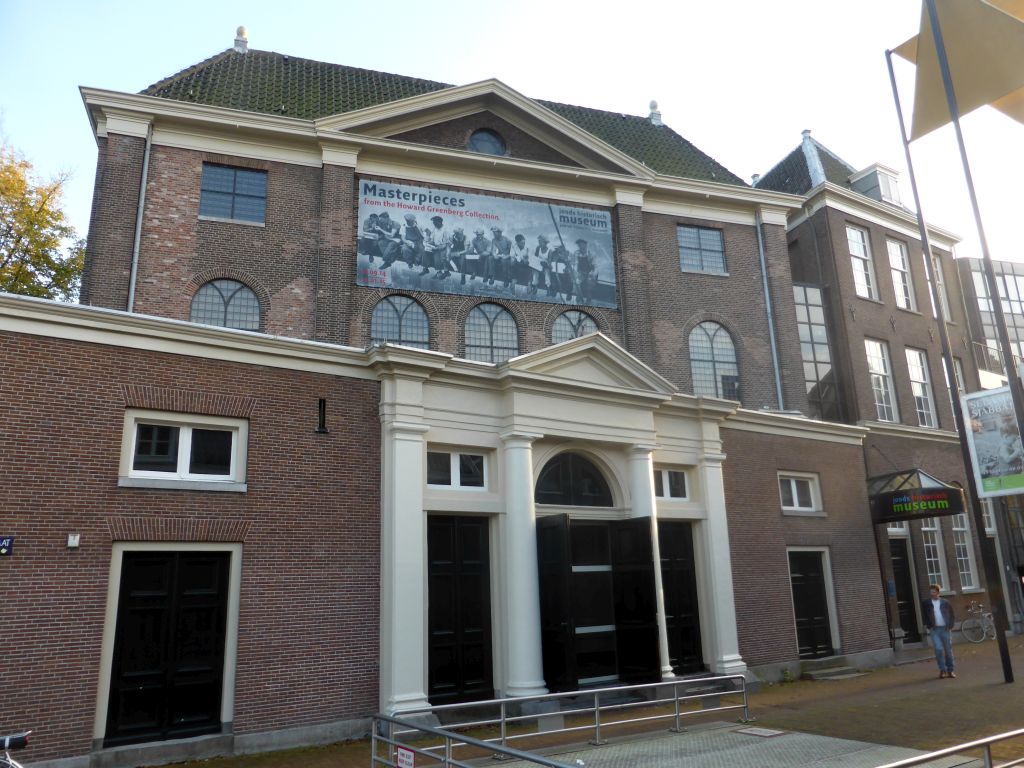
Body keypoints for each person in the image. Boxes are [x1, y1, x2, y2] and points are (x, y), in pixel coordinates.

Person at [921, 584, 956, 678]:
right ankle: (942, 670)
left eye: (934, 592)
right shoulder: (926, 603)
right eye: (930, 592)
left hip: (945, 629)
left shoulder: (945, 602)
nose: (932, 594)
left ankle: (951, 670)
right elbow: (924, 616)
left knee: (948, 650)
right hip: (934, 630)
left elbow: (952, 615)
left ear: (938, 592)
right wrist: (929, 626)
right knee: (938, 649)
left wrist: (950, 625)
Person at [424, 215, 451, 280]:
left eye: (435, 223)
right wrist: (428, 243)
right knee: (427, 252)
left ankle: (445, 272)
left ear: (439, 222)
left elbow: (446, 244)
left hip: (445, 247)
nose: (434, 224)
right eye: (433, 223)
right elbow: (432, 239)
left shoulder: (445, 230)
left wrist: (438, 248)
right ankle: (437, 271)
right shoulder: (435, 229)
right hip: (436, 246)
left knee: (442, 255)